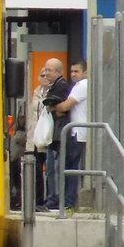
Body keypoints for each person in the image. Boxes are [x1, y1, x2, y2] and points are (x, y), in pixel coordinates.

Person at [55, 59, 89, 208]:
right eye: (72, 71)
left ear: (85, 73)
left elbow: (66, 106)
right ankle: (68, 200)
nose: (73, 74)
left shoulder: (81, 86)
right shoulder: (82, 86)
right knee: (71, 167)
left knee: (71, 167)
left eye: (77, 71)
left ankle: (69, 201)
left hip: (77, 132)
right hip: (79, 132)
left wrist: (54, 107)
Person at [40, 58, 72, 211]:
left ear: (59, 72)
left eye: (49, 70)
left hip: (59, 133)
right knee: (51, 168)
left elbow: (59, 108)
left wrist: (52, 106)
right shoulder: (52, 86)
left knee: (55, 168)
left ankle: (56, 199)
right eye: (45, 70)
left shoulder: (62, 86)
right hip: (55, 133)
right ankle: (52, 198)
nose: (46, 73)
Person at [24, 63, 50, 208]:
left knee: (50, 170)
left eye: (47, 74)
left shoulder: (53, 93)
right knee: (36, 170)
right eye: (42, 75)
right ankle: (38, 200)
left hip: (47, 138)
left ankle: (49, 199)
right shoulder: (35, 92)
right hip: (34, 137)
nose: (45, 77)